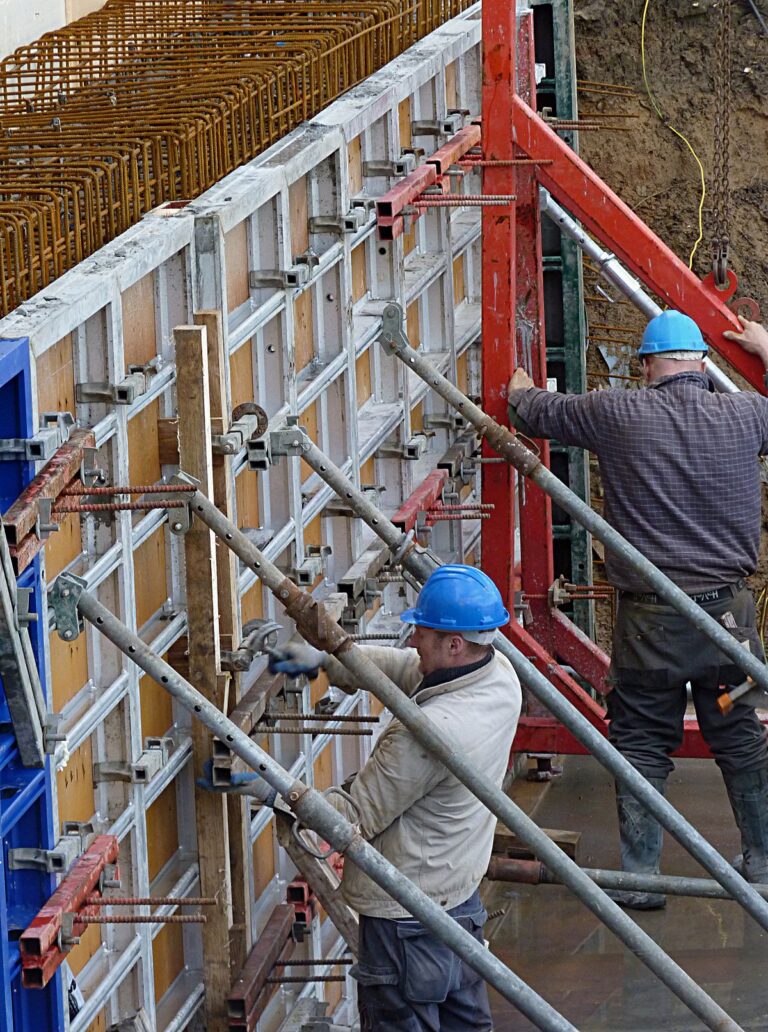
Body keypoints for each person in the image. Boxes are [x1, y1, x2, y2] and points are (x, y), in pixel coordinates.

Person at [507, 311, 768, 910]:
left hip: (652, 628)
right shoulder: (747, 415)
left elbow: (532, 411)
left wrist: (518, 381)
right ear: (701, 364)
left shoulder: (617, 412)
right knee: (738, 733)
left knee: (643, 739)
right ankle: (762, 862)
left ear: (648, 365)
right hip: (729, 628)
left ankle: (644, 875)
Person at [271, 564, 522, 1031]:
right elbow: (410, 670)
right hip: (460, 905)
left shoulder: (429, 736)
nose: (412, 639)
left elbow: (355, 815)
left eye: (422, 632)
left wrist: (270, 788)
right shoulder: (498, 677)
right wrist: (327, 661)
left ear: (454, 644)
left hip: (406, 922)